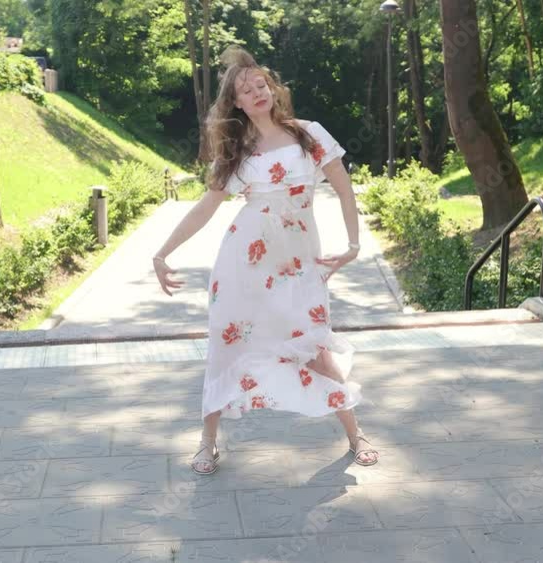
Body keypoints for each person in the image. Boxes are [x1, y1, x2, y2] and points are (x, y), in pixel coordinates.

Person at [152, 46, 379, 475]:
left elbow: (345, 189)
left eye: (261, 84)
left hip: (298, 264)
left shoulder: (308, 135)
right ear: (235, 103)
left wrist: (353, 245)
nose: (256, 91)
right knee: (226, 347)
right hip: (243, 263)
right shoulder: (238, 150)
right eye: (245, 89)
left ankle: (355, 433)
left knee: (313, 344)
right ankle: (207, 442)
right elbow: (205, 208)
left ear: (272, 89)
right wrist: (162, 252)